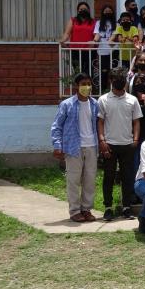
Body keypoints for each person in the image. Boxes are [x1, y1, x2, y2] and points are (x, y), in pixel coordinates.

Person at [51, 73, 99, 222]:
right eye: (83, 84)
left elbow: (99, 124)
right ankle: (74, 211)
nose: (87, 87)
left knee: (89, 180)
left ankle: (86, 209)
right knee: (73, 180)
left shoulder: (95, 104)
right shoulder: (67, 104)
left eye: (89, 84)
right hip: (73, 147)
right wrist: (57, 145)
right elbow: (57, 126)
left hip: (92, 146)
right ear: (76, 86)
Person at [97, 69, 143, 221]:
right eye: (116, 78)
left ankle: (127, 207)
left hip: (128, 144)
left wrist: (136, 140)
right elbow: (100, 122)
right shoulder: (103, 99)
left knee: (127, 177)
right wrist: (102, 141)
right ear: (111, 80)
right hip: (109, 144)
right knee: (108, 177)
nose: (119, 80)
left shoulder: (132, 100)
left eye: (122, 78)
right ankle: (108, 207)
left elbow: (136, 121)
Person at [60, 2, 96, 74]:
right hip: (75, 51)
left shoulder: (93, 22)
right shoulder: (73, 20)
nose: (83, 10)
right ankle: (80, 85)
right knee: (78, 73)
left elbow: (96, 35)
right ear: (78, 11)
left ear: (88, 10)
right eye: (81, 9)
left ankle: (88, 85)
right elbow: (67, 33)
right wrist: (63, 40)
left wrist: (94, 42)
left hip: (89, 50)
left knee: (88, 72)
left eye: (85, 9)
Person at [92, 4, 117, 91]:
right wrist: (94, 41)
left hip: (114, 50)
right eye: (106, 12)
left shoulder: (116, 23)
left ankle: (113, 90)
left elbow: (115, 35)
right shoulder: (99, 23)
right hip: (102, 50)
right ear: (102, 13)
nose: (107, 13)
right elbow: (97, 35)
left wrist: (110, 40)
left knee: (114, 72)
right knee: (104, 72)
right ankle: (103, 90)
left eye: (109, 12)